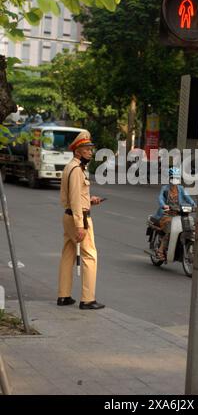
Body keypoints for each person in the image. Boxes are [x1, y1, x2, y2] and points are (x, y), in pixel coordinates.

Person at [57, 130, 105, 310]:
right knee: (90, 256)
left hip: (69, 215)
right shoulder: (77, 170)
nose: (90, 152)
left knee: (68, 255)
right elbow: (76, 199)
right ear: (77, 151)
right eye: (86, 149)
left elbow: (75, 196)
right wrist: (80, 225)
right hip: (79, 218)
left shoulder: (71, 167)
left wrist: (90, 200)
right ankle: (87, 299)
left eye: (91, 149)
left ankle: (63, 295)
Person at [155, 167, 196, 260]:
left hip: (179, 214)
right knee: (170, 231)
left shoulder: (181, 189)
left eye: (177, 177)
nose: (175, 179)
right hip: (167, 214)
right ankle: (160, 250)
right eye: (173, 177)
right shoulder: (165, 188)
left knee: (188, 227)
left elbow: (188, 198)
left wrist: (194, 205)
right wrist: (164, 205)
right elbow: (160, 198)